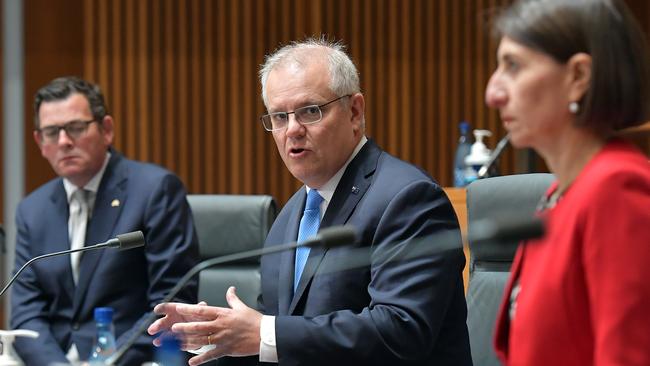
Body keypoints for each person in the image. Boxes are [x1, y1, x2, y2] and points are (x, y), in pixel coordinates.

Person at [148, 39, 472, 366]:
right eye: (279, 116)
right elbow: (279, 340)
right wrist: (215, 337)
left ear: (355, 112)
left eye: (310, 111)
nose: (292, 130)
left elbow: (401, 331)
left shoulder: (408, 198)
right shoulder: (289, 218)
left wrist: (264, 332)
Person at [484, 0, 650, 365]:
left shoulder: (616, 190)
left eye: (513, 65)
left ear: (578, 77)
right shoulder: (561, 192)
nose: (492, 93)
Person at [11, 76, 200, 366]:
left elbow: (170, 303)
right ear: (40, 142)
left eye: (75, 128)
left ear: (106, 129)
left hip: (131, 360)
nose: (63, 141)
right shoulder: (32, 210)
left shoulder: (154, 190)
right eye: (51, 132)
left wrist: (104, 363)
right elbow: (26, 313)